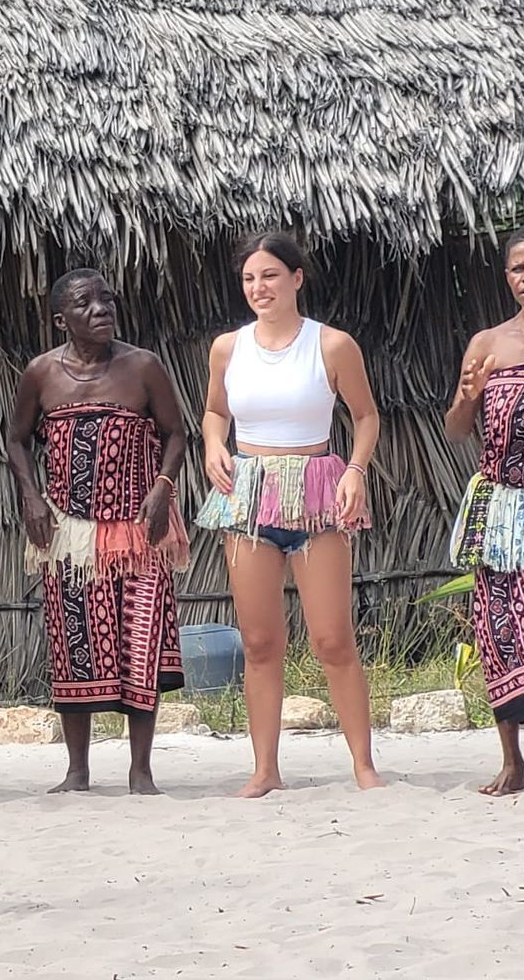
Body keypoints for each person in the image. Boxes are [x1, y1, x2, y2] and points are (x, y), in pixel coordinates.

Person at [198, 231, 384, 797]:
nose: (260, 288)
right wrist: (213, 445)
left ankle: (363, 764)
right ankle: (265, 769)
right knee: (258, 641)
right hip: (250, 494)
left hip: (316, 490)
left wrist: (354, 469)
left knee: (332, 637)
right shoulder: (227, 348)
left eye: (271, 276)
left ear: (297, 278)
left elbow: (367, 416)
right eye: (250, 278)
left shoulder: (331, 345)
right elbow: (213, 411)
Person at [7, 269, 189, 795]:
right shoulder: (41, 373)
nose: (102, 309)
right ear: (61, 319)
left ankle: (141, 771)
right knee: (74, 645)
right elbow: (17, 439)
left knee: (141, 644)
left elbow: (175, 433)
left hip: (137, 530)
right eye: (86, 304)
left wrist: (162, 486)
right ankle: (77, 770)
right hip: (72, 537)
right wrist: (31, 496)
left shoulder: (143, 367)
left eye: (107, 299)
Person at [443, 226, 524, 795]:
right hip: (503, 512)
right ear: (507, 277)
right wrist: (470, 393)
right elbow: (456, 430)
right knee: (500, 628)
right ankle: (512, 762)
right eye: (518, 269)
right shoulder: (486, 343)